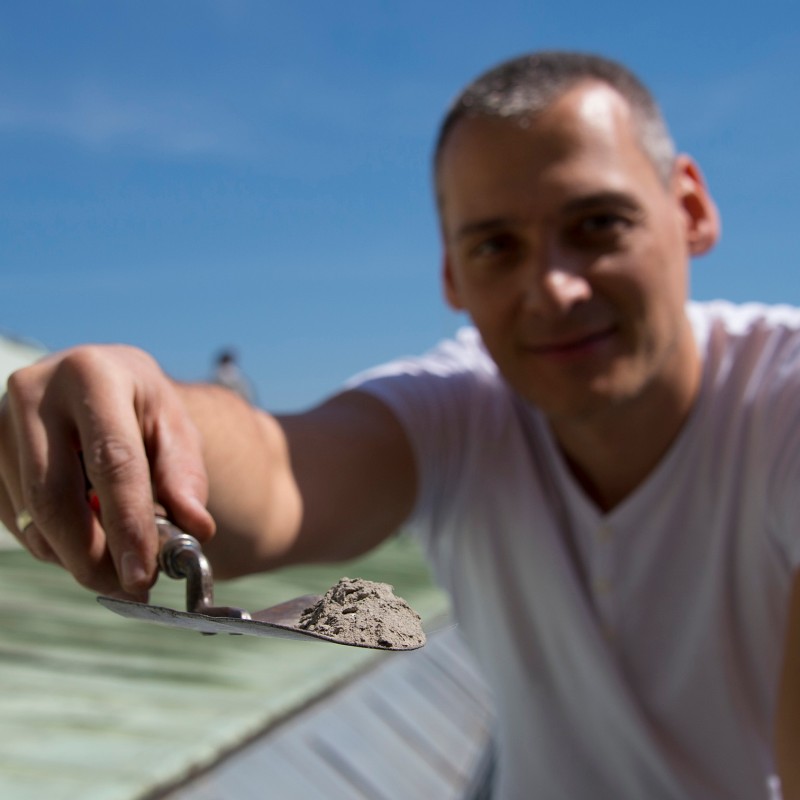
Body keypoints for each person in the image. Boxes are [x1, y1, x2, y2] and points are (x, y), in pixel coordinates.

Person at [0, 50, 798, 799]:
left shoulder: (783, 402)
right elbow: (280, 477)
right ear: (452, 273)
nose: (552, 289)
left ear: (689, 209)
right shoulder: (459, 411)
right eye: (497, 246)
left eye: (598, 225)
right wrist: (141, 416)